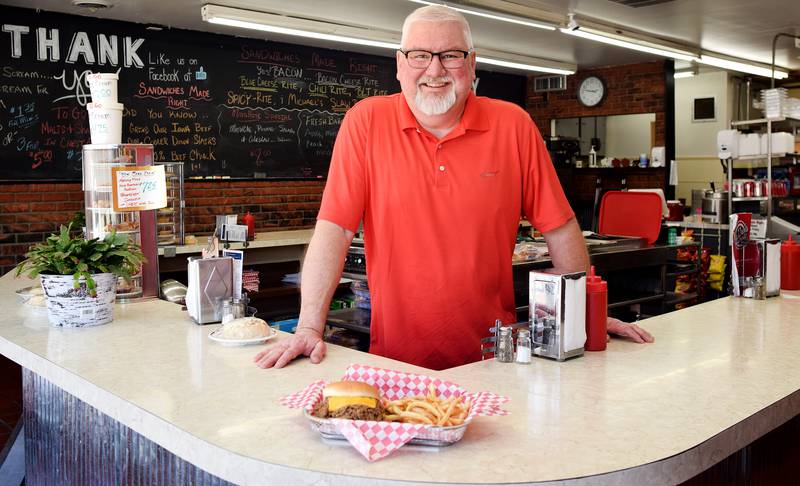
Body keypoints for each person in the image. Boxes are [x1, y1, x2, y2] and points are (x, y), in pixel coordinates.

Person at [255, 5, 652, 371]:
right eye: (420, 55)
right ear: (400, 64)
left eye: (450, 55)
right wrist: (309, 327)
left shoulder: (513, 126)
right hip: (396, 362)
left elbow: (560, 227)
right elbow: (335, 228)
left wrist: (585, 314)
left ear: (472, 63)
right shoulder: (366, 122)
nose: (434, 70)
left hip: (493, 359)